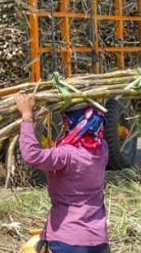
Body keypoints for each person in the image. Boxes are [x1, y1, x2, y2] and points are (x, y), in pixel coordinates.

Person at [15, 94, 110, 253]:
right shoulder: (102, 150)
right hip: (99, 240)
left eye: (66, 121)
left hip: (68, 241)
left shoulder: (66, 155)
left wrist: (27, 116)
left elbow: (32, 156)